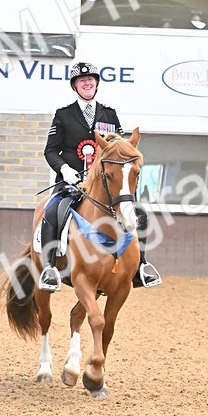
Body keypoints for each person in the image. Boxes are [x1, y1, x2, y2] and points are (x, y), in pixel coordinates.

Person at [39, 61, 162, 292]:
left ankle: (141, 267)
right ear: (75, 86)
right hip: (72, 182)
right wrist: (66, 170)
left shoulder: (109, 114)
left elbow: (120, 148)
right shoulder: (63, 115)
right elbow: (51, 151)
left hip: (105, 182)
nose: (87, 83)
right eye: (82, 80)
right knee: (53, 210)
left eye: (91, 80)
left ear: (96, 84)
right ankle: (49, 268)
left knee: (139, 212)